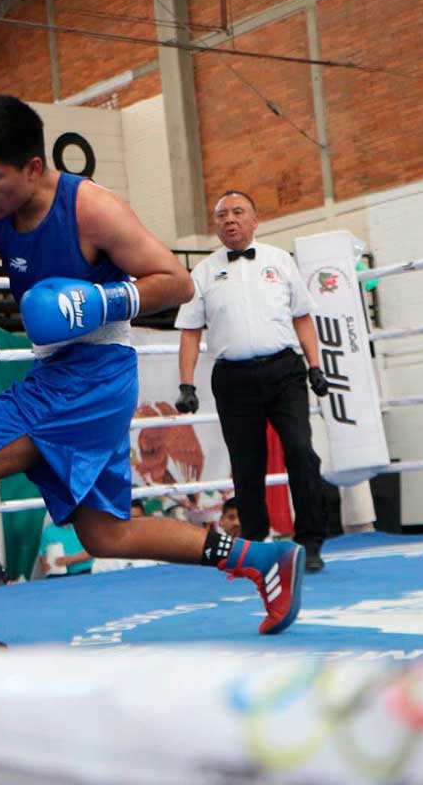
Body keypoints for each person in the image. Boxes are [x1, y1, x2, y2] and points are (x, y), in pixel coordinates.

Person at [0, 95, 307, 640]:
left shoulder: (91, 208)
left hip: (95, 371)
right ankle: (261, 558)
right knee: (106, 534)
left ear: (33, 167)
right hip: (61, 373)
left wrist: (99, 300)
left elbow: (177, 281)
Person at [173, 190, 330, 572]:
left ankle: (309, 541)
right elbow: (191, 331)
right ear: (215, 226)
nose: (230, 220)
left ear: (254, 220)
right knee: (246, 463)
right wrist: (186, 384)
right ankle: (257, 543)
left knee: (301, 451)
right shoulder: (204, 271)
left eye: (238, 212)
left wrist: (315, 365)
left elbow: (303, 317)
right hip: (233, 377)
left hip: (284, 371)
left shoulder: (279, 260)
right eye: (222, 215)